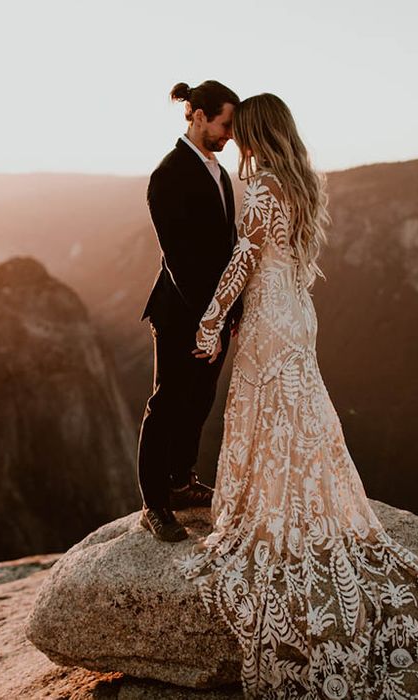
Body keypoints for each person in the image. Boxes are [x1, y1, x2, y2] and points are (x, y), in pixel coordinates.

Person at [177, 93, 418, 698]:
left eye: (242, 131)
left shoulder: (260, 187)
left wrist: (210, 320)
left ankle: (272, 508)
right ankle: (294, 494)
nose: (235, 140)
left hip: (269, 315)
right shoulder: (305, 182)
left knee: (264, 407)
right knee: (298, 410)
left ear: (258, 131)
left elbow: (244, 258)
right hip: (298, 311)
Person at [137, 80, 244, 542]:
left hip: (214, 313)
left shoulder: (219, 173)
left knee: (199, 400)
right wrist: (209, 322)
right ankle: (154, 503)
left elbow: (227, 245)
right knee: (166, 403)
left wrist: (231, 309)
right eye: (225, 125)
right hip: (182, 311)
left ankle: (182, 482)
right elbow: (180, 260)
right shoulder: (167, 175)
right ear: (198, 116)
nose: (229, 136)